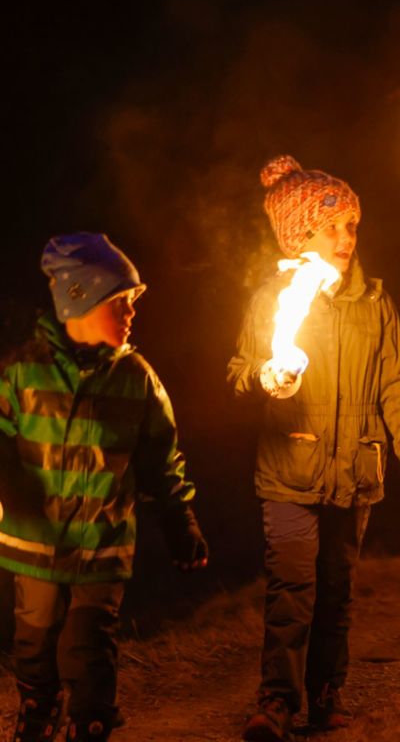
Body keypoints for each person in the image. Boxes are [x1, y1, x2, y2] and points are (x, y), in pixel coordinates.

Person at [229, 155, 400, 741]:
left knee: (336, 591)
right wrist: (266, 377)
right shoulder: (273, 300)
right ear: (299, 237)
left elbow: (397, 381)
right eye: (330, 228)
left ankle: (325, 692)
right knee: (292, 589)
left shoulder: (375, 303)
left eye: (351, 226)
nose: (346, 238)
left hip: (356, 471)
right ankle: (277, 699)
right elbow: (240, 373)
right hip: (289, 470)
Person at [0, 233, 207, 742]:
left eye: (133, 301)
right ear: (79, 300)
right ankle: (37, 707)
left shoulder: (137, 379)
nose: (132, 313)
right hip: (34, 543)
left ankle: (91, 720)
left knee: (89, 645)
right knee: (34, 642)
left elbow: (160, 459)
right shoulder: (23, 370)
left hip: (102, 545)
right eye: (120, 302)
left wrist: (180, 521)